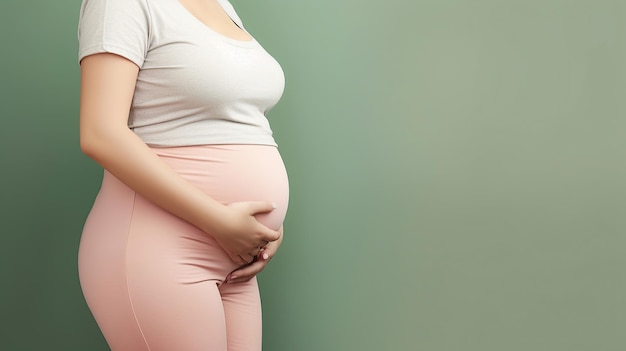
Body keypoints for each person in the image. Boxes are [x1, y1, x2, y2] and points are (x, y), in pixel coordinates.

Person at [76, 0, 289, 349]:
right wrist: (219, 221)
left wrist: (264, 229)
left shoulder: (220, 4)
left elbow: (233, 122)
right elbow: (100, 132)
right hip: (159, 247)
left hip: (235, 262)